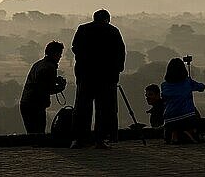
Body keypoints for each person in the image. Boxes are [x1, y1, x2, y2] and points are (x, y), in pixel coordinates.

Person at [70, 9, 126, 149]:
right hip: (106, 77)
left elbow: (75, 48)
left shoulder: (83, 29)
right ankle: (100, 139)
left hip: (86, 75)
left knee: (83, 107)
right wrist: (116, 70)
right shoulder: (113, 31)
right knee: (104, 109)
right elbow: (121, 53)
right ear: (108, 19)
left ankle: (79, 139)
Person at [20, 41, 67, 133]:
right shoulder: (49, 67)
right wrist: (61, 87)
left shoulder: (38, 64)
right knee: (39, 133)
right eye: (59, 54)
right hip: (35, 105)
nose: (60, 57)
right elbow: (47, 89)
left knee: (32, 133)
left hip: (26, 103)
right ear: (55, 54)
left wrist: (54, 80)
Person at [161, 57, 205, 143]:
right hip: (187, 118)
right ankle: (189, 132)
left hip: (169, 120)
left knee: (174, 126)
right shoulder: (187, 82)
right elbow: (202, 87)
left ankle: (175, 133)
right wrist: (191, 83)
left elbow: (164, 98)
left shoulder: (164, 85)